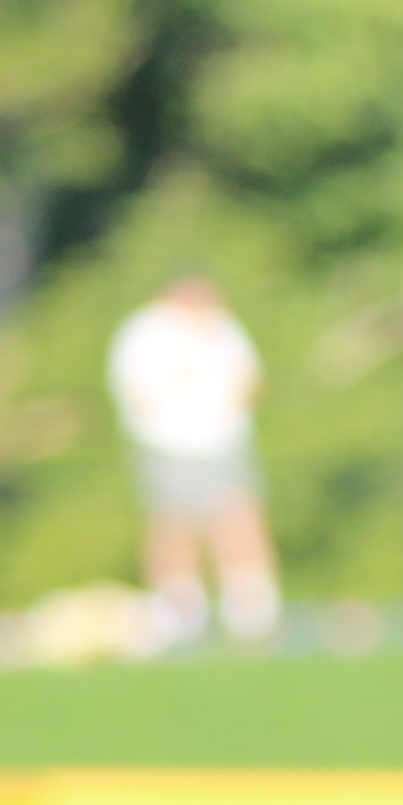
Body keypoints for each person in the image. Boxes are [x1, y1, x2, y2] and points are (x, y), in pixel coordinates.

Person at [107, 274, 282, 645]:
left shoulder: (222, 328)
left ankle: (251, 611)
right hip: (167, 442)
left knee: (239, 518)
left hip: (224, 440)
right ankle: (180, 611)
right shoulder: (145, 332)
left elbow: (250, 380)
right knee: (175, 523)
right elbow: (137, 392)